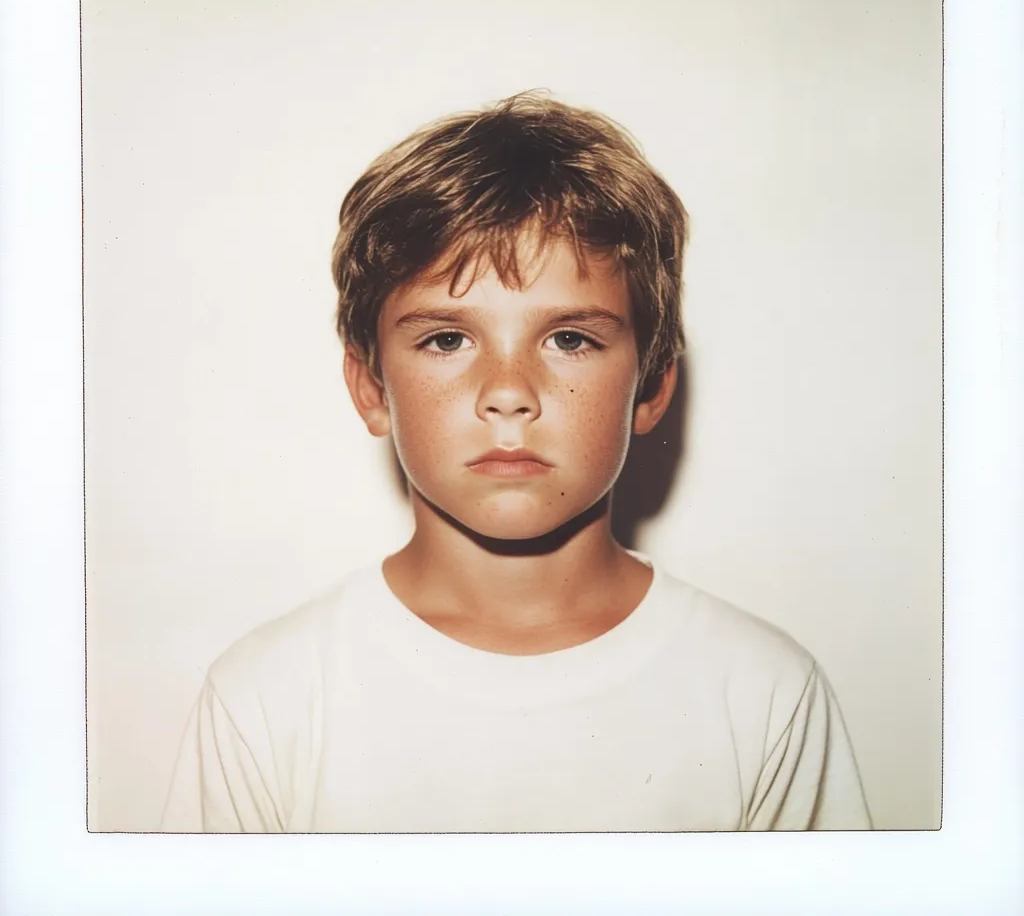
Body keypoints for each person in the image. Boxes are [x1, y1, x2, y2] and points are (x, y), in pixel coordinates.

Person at [161, 92, 872, 832]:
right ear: (372, 386)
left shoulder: (762, 694)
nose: (507, 394)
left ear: (652, 384)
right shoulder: (268, 699)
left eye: (569, 339)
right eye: (446, 340)